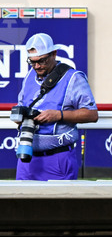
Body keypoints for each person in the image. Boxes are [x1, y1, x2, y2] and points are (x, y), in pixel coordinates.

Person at [14, 33, 98, 180]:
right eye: (32, 62)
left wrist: (59, 115)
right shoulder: (29, 77)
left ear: (54, 54)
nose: (37, 66)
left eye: (42, 61)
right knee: (20, 202)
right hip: (27, 153)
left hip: (58, 156)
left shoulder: (73, 78)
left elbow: (92, 114)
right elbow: (22, 104)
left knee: (60, 203)